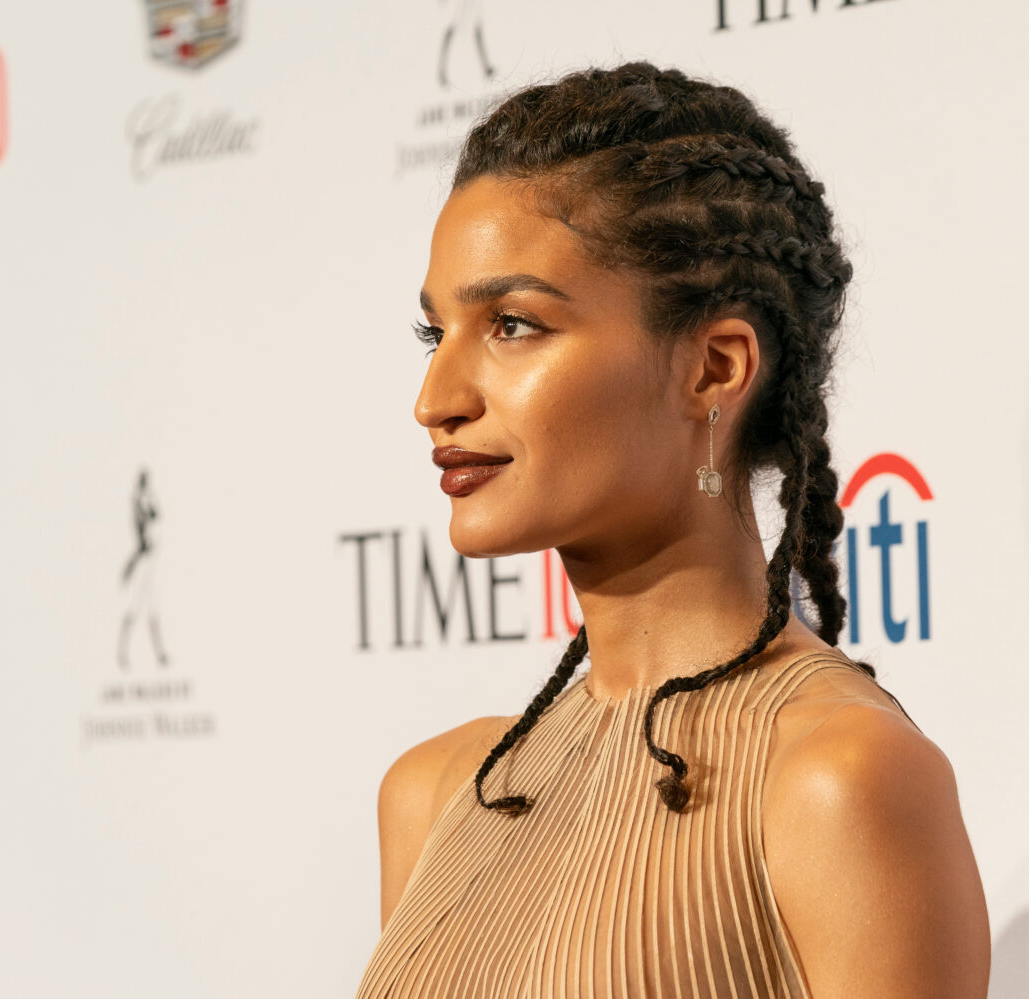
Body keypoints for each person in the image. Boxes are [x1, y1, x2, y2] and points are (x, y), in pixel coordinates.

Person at [357, 62, 990, 998]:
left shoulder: (839, 779)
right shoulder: (439, 792)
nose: (434, 400)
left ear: (714, 368)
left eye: (514, 324)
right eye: (433, 333)